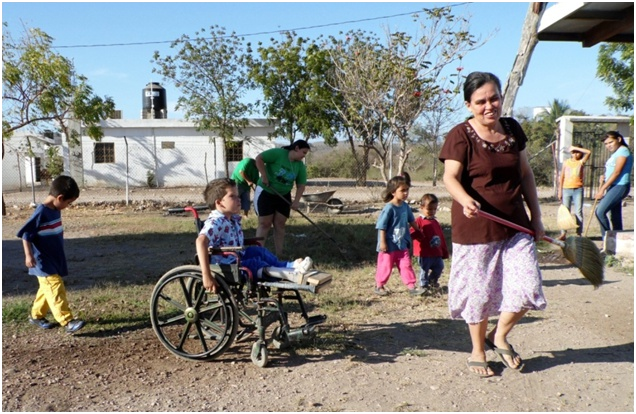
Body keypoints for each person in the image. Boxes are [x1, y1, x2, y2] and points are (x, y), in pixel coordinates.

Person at [439, 71, 546, 377]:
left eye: (494, 98)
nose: (489, 105)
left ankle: (499, 335)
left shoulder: (512, 129)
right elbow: (450, 177)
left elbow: (525, 174)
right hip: (476, 226)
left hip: (515, 225)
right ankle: (477, 349)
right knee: (479, 293)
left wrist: (536, 217)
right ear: (469, 105)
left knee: (528, 287)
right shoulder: (460, 135)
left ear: (501, 97)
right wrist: (464, 199)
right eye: (481, 101)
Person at [196, 178, 313, 293]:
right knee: (254, 264)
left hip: (237, 258)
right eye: (233, 196)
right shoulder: (216, 222)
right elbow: (201, 241)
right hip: (226, 265)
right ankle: (288, 274)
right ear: (219, 203)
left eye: (238, 195)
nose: (239, 199)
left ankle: (291, 266)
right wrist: (206, 275)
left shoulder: (230, 219)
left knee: (258, 251)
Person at [16, 175, 86, 334]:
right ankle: (67, 321)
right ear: (60, 197)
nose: (68, 206)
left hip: (53, 258)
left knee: (46, 289)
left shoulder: (55, 209)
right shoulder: (41, 212)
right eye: (68, 203)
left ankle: (36, 315)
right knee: (55, 287)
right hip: (43, 261)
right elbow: (26, 234)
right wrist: (28, 256)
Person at [254, 139, 310, 257]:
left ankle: (279, 253)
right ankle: (257, 253)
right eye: (303, 153)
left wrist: (296, 201)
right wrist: (264, 176)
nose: (304, 156)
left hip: (283, 195)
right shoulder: (278, 153)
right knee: (265, 223)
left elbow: (301, 185)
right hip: (266, 191)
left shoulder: (300, 166)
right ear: (296, 148)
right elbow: (259, 158)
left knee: (280, 224)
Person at [374, 176, 426, 297]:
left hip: (402, 244)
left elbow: (412, 220)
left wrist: (419, 231)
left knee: (406, 265)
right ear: (393, 192)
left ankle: (411, 286)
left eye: (407, 190)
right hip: (389, 246)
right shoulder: (389, 208)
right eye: (402, 190)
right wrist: (382, 243)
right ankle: (379, 285)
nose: (406, 193)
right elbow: (381, 226)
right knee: (385, 266)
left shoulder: (405, 206)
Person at [594, 131, 633, 240]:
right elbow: (612, 171)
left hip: (620, 186)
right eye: (606, 144)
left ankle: (607, 240)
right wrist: (604, 176)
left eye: (610, 142)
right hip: (613, 186)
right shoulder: (616, 153)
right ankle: (618, 242)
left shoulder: (623, 151)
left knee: (600, 211)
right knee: (615, 215)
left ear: (619, 139)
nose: (608, 146)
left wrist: (602, 189)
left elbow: (617, 172)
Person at [410, 193, 449, 289]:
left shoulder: (435, 222)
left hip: (436, 252)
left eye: (434, 209)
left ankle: (432, 281)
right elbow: (411, 233)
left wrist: (443, 251)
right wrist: (418, 235)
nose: (432, 211)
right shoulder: (419, 221)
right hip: (425, 253)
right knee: (424, 269)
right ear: (422, 207)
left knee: (439, 267)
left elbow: (440, 237)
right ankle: (424, 285)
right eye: (429, 209)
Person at [557, 144, 591, 240]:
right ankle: (563, 233)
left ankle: (579, 233)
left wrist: (575, 148)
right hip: (566, 189)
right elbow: (562, 177)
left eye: (578, 152)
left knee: (578, 211)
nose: (575, 154)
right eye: (573, 152)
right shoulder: (566, 162)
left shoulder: (581, 162)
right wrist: (560, 191)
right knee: (565, 211)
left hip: (578, 189)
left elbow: (589, 152)